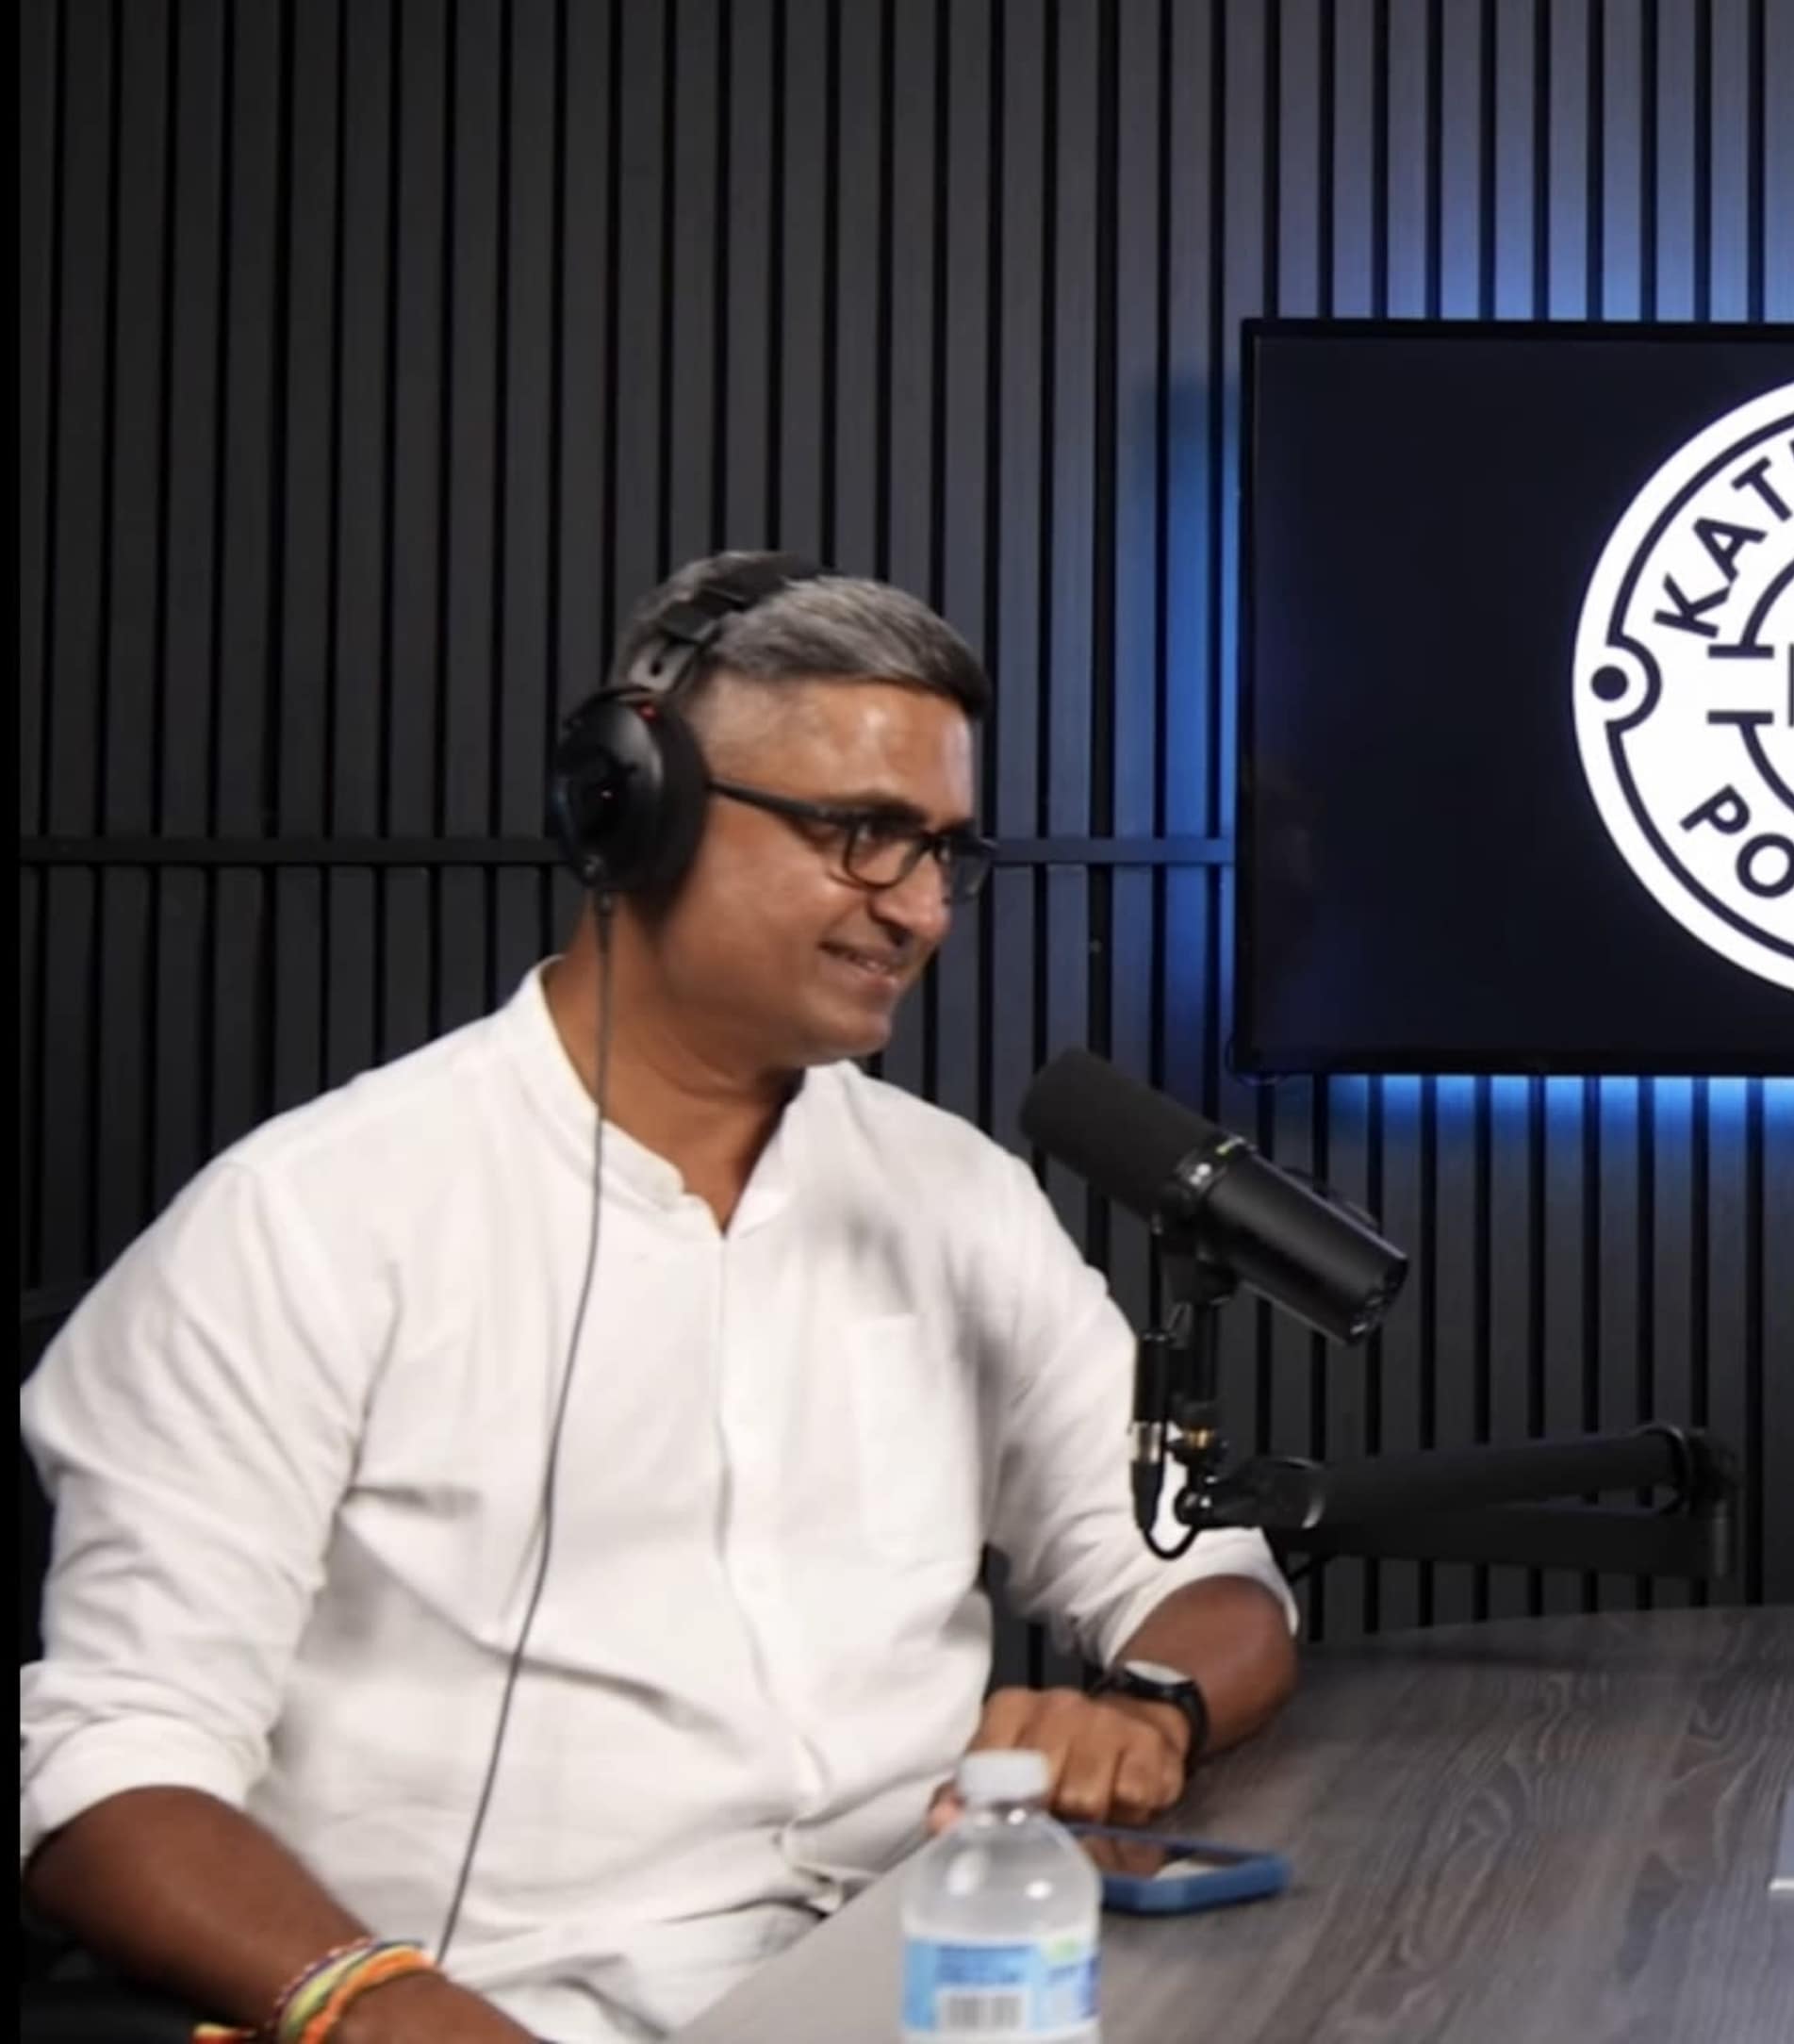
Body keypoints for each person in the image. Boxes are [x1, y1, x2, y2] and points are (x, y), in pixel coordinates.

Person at [19, 553, 1300, 2042]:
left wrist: (1149, 1705)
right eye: (864, 837)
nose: (922, 910)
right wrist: (378, 2008)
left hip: (940, 1986)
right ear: (634, 803)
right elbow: (109, 1775)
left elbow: (1205, 1580)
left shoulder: (958, 1203)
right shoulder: (305, 1222)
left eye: (947, 851)